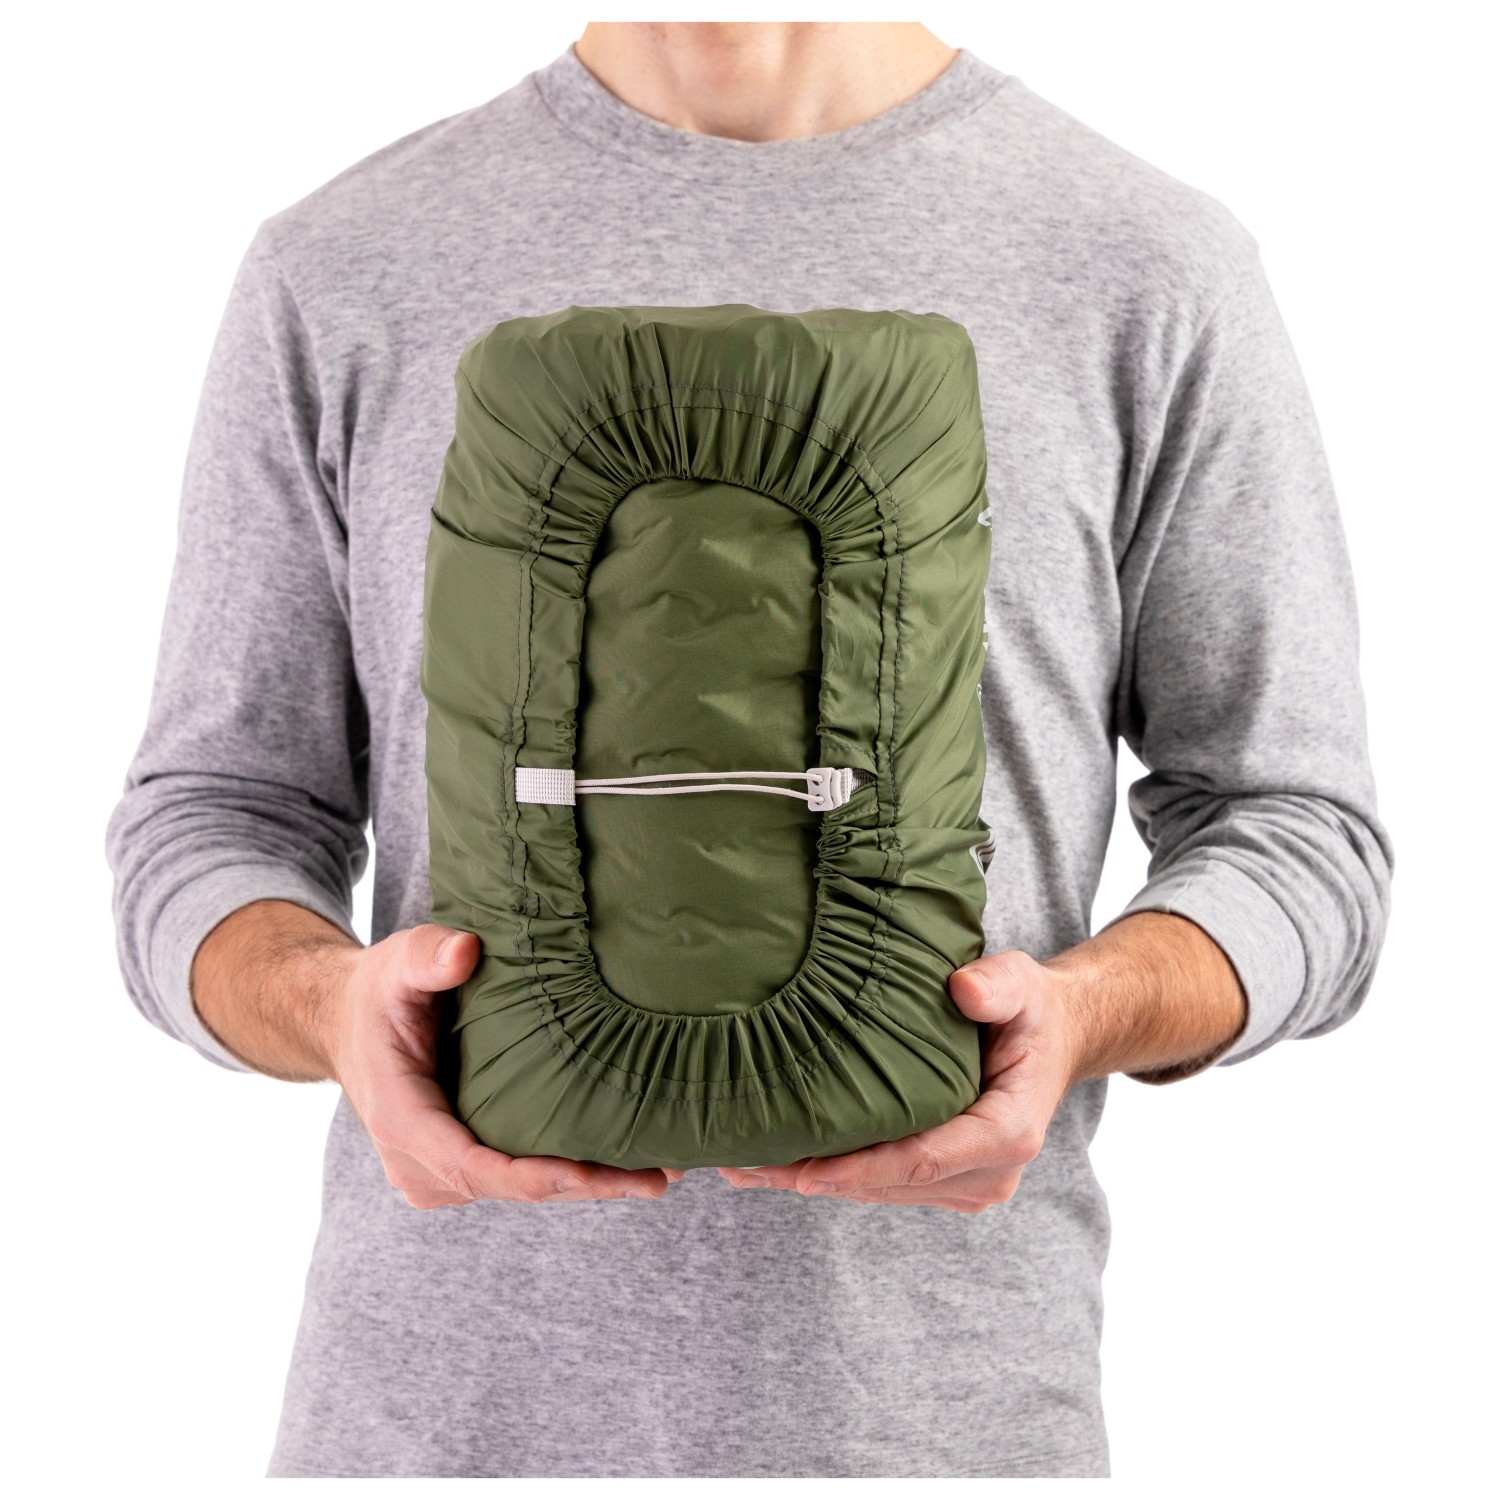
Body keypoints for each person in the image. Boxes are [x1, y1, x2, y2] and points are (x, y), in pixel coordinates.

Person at [105, 20, 1393, 1479]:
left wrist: (1086, 1013)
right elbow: (212, 812)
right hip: (432, 1430)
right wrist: (331, 1006)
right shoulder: (344, 263)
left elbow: (1302, 831)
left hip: (941, 1427)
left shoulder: (1145, 263)